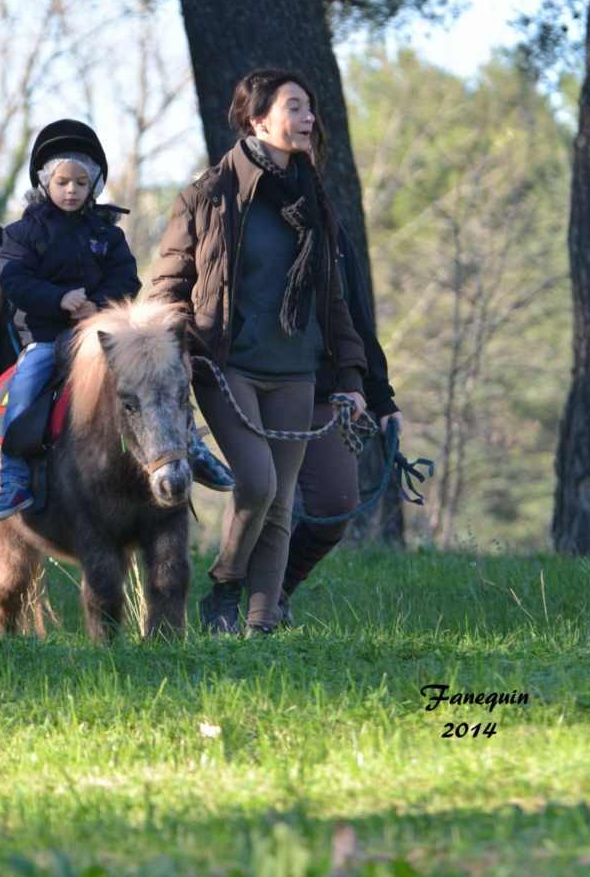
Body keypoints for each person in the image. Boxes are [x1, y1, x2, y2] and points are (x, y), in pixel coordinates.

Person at [151, 69, 368, 635]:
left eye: (310, 108)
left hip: (297, 369)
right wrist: (169, 349)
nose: (309, 119)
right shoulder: (208, 195)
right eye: (295, 107)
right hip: (226, 367)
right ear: (258, 119)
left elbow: (333, 298)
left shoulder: (313, 199)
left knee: (281, 500)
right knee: (258, 483)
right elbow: (169, 284)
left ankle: (261, 622)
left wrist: (351, 376)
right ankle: (225, 584)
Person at [0, 119, 234, 522]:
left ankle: (192, 447)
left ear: (94, 186)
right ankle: (14, 477)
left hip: (106, 337)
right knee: (27, 385)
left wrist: (98, 304)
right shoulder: (22, 233)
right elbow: (14, 280)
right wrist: (59, 300)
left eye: (81, 183)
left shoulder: (106, 233)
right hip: (48, 335)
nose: (71, 190)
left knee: (161, 376)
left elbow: (126, 277)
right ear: (46, 182)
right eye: (63, 181)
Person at [278, 223, 402, 624]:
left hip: (323, 389)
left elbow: (357, 320)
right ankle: (234, 597)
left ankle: (275, 590)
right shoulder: (241, 216)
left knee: (336, 505)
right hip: (259, 385)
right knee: (262, 500)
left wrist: (381, 398)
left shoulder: (333, 232)